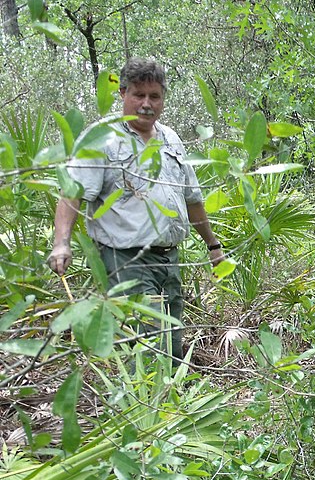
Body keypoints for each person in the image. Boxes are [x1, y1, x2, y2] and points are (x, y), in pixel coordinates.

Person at [47, 57, 226, 363]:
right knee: (147, 350)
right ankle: (142, 394)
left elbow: (192, 199)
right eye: (138, 95)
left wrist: (213, 245)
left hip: (169, 260)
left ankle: (171, 393)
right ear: (123, 94)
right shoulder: (101, 137)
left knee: (172, 348)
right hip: (126, 260)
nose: (146, 104)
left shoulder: (171, 139)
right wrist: (61, 243)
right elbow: (72, 193)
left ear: (163, 98)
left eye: (154, 96)